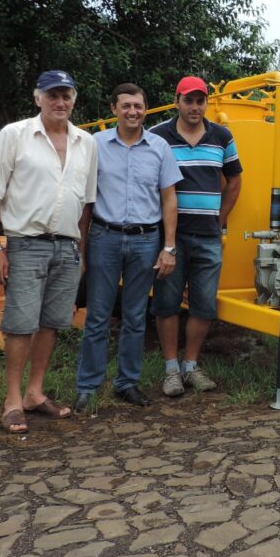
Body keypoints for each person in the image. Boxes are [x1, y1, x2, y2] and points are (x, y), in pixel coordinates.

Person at [0, 70, 98, 433]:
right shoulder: (15, 135)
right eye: (52, 95)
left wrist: (81, 252)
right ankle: (12, 401)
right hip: (26, 243)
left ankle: (34, 393)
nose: (60, 102)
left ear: (74, 100)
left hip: (67, 246)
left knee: (52, 323)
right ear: (38, 98)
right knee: (20, 324)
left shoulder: (86, 143)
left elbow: (87, 205)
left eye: (66, 95)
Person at [72, 84, 182, 411]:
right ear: (114, 109)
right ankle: (87, 386)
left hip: (146, 240)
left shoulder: (160, 147)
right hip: (104, 237)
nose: (132, 112)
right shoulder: (96, 144)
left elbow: (169, 198)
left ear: (145, 109)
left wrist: (169, 247)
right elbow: (86, 199)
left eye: (138, 106)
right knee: (98, 315)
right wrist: (81, 247)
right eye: (126, 106)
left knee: (135, 316)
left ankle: (127, 383)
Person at [150, 76, 242, 396]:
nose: (194, 107)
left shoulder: (222, 136)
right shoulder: (158, 136)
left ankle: (191, 366)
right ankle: (171, 369)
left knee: (203, 305)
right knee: (167, 303)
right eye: (188, 100)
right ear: (176, 101)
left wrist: (219, 220)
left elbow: (235, 180)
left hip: (207, 236)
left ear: (206, 103)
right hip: (170, 238)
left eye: (200, 101)